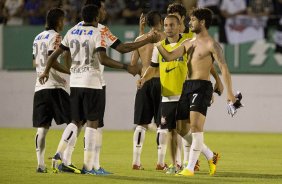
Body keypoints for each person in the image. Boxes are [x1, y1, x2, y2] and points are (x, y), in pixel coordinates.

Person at [39, 4, 159, 175]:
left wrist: (45, 71)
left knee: (76, 121)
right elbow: (108, 56)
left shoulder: (72, 30)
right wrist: (128, 64)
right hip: (92, 82)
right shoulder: (98, 32)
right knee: (93, 123)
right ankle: (89, 167)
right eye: (102, 9)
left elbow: (54, 55)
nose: (104, 12)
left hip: (76, 82)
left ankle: (60, 155)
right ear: (96, 17)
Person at [156, 8, 236, 176]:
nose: (189, 23)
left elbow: (224, 68)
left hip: (202, 86)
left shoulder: (212, 44)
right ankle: (210, 155)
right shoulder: (189, 43)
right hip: (187, 86)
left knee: (195, 126)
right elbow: (170, 56)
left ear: (202, 22)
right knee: (181, 129)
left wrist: (230, 93)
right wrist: (157, 44)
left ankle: (190, 168)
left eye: (192, 20)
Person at [32, 8, 70, 173]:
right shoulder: (56, 36)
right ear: (58, 21)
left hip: (39, 88)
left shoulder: (37, 37)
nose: (64, 23)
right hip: (54, 87)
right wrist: (68, 71)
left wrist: (42, 71)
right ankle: (62, 158)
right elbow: (52, 59)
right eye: (63, 20)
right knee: (76, 121)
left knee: (42, 127)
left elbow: (35, 63)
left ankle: (41, 164)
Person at [130, 10, 166, 170]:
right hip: (162, 82)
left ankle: (136, 162)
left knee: (141, 124)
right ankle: (160, 162)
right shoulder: (166, 38)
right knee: (162, 124)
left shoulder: (139, 39)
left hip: (144, 82)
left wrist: (143, 76)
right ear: (162, 21)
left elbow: (133, 65)